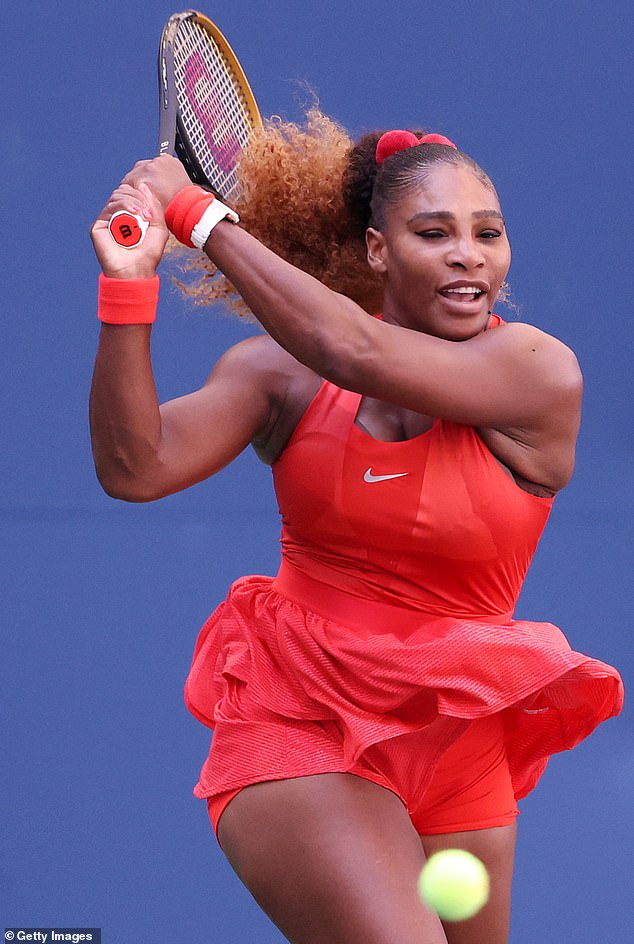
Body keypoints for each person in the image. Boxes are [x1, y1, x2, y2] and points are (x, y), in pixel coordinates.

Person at [89, 113, 623, 944]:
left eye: (489, 233)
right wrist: (128, 289)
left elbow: (357, 350)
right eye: (434, 232)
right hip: (299, 720)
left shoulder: (536, 372)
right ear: (379, 251)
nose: (468, 254)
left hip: (458, 749)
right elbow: (135, 467)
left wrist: (198, 217)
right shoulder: (282, 376)